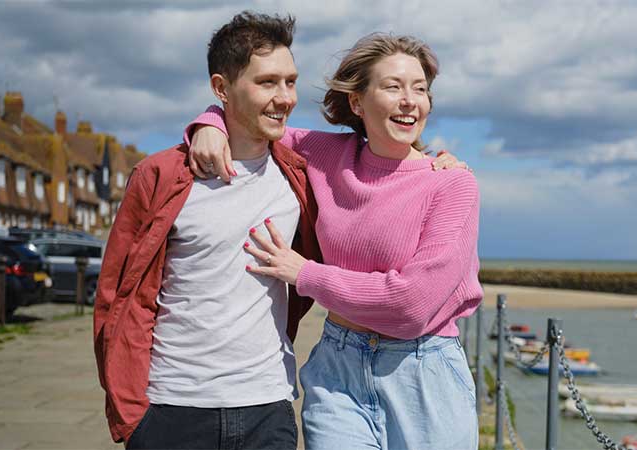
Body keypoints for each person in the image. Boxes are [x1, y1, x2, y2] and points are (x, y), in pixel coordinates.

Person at [187, 32, 482, 450]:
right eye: (393, 86)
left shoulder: (452, 185)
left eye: (420, 89)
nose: (409, 100)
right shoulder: (326, 154)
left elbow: (413, 305)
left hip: (424, 374)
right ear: (358, 102)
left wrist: (304, 273)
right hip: (337, 371)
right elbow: (251, 120)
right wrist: (209, 123)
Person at [93, 12, 323, 449]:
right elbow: (116, 295)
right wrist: (131, 416)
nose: (286, 98)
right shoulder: (159, 176)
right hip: (171, 408)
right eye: (267, 82)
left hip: (268, 406)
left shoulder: (299, 176)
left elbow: (375, 152)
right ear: (222, 88)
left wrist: (435, 163)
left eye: (291, 81)